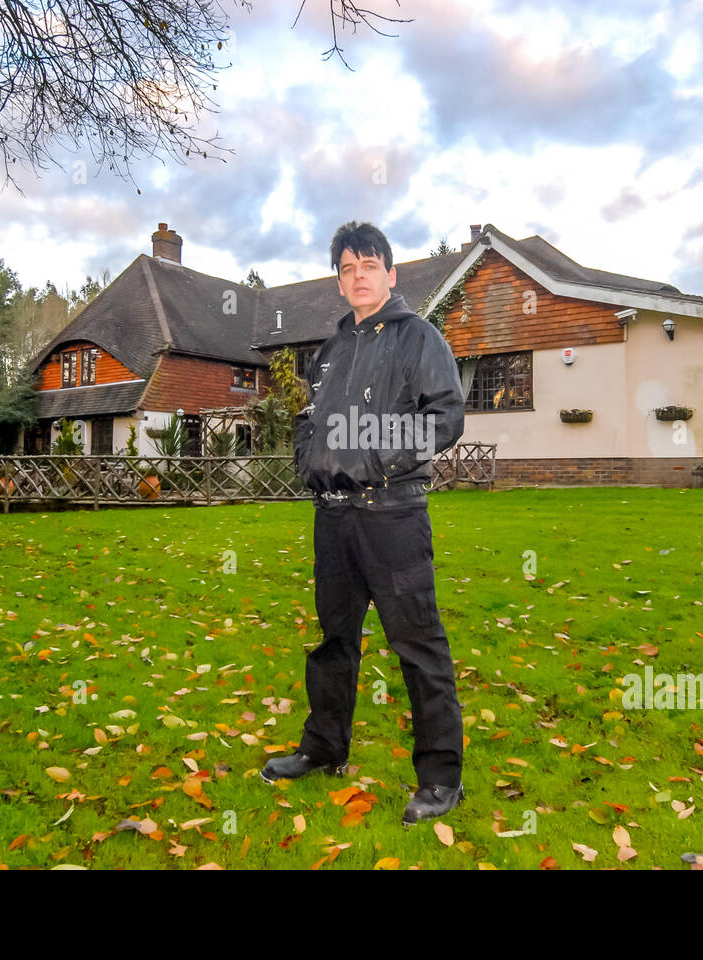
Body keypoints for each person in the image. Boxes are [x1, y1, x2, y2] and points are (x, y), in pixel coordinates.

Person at [259, 221, 467, 825]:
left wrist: (376, 456)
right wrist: (308, 456)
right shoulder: (332, 348)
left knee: (418, 646)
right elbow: (308, 418)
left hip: (393, 517)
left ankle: (440, 778)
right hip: (333, 519)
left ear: (391, 274)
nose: (357, 277)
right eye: (347, 269)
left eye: (368, 266)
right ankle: (323, 749)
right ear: (339, 280)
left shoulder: (419, 338)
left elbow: (445, 418)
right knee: (333, 643)